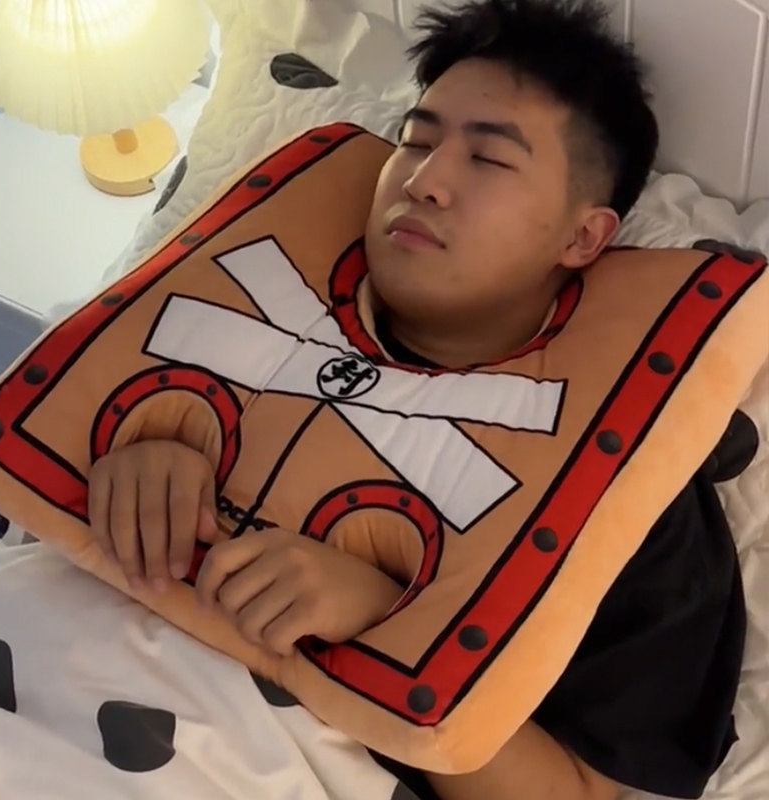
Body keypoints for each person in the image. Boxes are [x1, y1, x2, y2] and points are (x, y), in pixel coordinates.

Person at [87, 2, 745, 799]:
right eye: (416, 141)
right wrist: (129, 455)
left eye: (489, 159)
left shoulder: (635, 492)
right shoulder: (207, 318)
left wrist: (382, 621)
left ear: (584, 237)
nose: (425, 182)